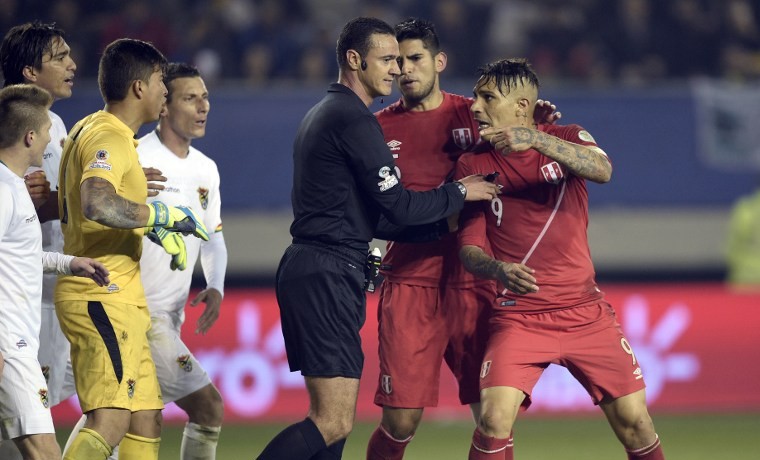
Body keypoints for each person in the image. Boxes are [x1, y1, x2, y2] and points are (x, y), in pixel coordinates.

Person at [256, 16, 499, 460]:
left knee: (335, 422)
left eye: (405, 59)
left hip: (326, 267)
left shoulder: (326, 113)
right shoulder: (355, 120)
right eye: (387, 59)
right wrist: (461, 192)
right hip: (330, 269)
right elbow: (399, 207)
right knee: (331, 421)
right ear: (354, 59)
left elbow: (374, 220)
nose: (397, 69)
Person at [366, 18, 560, 460]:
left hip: (476, 282)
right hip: (411, 282)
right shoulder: (376, 129)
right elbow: (371, 211)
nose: (406, 69)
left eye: (415, 58)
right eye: (397, 61)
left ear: (439, 61)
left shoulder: (473, 112)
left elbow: (522, 147)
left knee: (492, 415)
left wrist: (535, 124)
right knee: (400, 421)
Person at [454, 58, 665, 460]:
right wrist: (498, 269)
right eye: (475, 97)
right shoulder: (473, 164)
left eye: (487, 98)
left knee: (636, 423)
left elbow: (601, 168)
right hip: (519, 315)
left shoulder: (565, 137)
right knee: (494, 419)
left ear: (520, 107)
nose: (476, 106)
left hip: (584, 312)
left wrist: (535, 138)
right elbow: (469, 249)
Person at [55, 39, 208, 460]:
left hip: (124, 296)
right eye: (161, 81)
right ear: (140, 87)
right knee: (111, 419)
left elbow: (78, 203)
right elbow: (96, 202)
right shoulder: (108, 135)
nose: (165, 91)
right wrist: (159, 216)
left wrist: (149, 224)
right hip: (101, 293)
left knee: (145, 418)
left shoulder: (95, 129)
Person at [0, 83, 109, 460]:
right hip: (8, 344)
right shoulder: (3, 190)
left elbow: (23, 253)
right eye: (47, 131)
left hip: (19, 342)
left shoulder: (16, 188)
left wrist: (69, 263)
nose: (52, 137)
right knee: (45, 453)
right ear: (30, 136)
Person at [0, 23, 79, 458]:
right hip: (26, 305)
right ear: (31, 71)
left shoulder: (56, 123)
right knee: (31, 429)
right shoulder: (12, 133)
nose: (72, 65)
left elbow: (50, 203)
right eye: (60, 57)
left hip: (45, 289)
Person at [725, 187, 760, 288]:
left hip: (745, 278)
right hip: (745, 279)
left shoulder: (746, 208)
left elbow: (732, 246)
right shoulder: (746, 209)